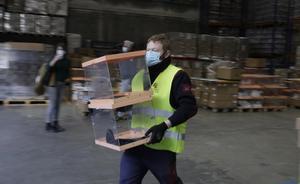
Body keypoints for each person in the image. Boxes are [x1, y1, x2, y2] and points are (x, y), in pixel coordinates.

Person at [119, 34, 198, 184]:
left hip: (161, 147)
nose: (149, 54)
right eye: (148, 50)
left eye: (154, 50)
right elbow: (131, 103)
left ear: (166, 53)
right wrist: (106, 107)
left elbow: (189, 107)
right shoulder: (138, 77)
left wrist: (163, 126)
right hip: (135, 144)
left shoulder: (177, 76)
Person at [45, 43, 70, 132]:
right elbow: (48, 68)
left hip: (61, 84)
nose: (60, 51)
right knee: (52, 104)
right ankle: (48, 123)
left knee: (58, 105)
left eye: (61, 49)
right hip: (53, 84)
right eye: (58, 49)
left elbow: (67, 72)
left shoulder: (67, 60)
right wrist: (55, 59)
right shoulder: (53, 59)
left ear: (64, 51)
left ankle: (55, 122)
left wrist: (67, 83)